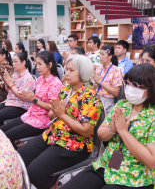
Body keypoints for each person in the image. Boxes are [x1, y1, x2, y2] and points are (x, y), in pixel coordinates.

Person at [62, 63, 155, 189]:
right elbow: (101, 134)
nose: (129, 88)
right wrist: (112, 130)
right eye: (128, 83)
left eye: (135, 85)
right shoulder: (122, 105)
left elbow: (152, 161)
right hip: (108, 164)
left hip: (134, 176)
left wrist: (124, 132)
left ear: (151, 89)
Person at [18, 55, 103, 189]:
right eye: (66, 69)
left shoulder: (90, 97)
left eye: (71, 70)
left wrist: (62, 114)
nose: (66, 74)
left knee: (34, 172)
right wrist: (55, 112)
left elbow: (86, 132)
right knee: (20, 157)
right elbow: (53, 116)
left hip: (74, 143)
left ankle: (52, 185)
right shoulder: (65, 90)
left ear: (83, 72)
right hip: (53, 134)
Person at [0, 51, 63, 149]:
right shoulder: (40, 79)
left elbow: (53, 108)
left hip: (41, 121)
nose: (37, 67)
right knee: (1, 131)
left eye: (40, 64)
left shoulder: (55, 83)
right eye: (36, 63)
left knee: (6, 136)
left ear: (50, 65)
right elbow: (33, 98)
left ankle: (14, 158)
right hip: (30, 115)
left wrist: (34, 100)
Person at [0, 52, 35, 127]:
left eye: (16, 61)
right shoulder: (15, 74)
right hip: (10, 101)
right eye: (12, 61)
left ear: (23, 62)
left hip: (20, 106)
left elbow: (22, 97)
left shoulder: (28, 78)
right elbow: (9, 91)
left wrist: (11, 84)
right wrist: (7, 84)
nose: (13, 64)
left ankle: (1, 133)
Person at [92, 44, 122, 115]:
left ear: (110, 56)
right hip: (96, 98)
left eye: (103, 54)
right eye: (100, 54)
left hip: (107, 102)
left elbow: (116, 92)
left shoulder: (116, 70)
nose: (100, 57)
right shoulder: (99, 69)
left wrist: (100, 82)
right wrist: (96, 83)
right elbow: (93, 89)